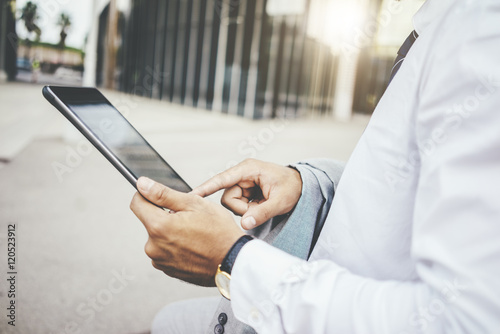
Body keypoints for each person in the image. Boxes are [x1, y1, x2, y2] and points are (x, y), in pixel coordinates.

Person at [130, 0, 500, 332]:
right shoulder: (445, 24)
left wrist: (234, 261)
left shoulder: (479, 34)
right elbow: (411, 191)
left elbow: (462, 322)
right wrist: (307, 184)